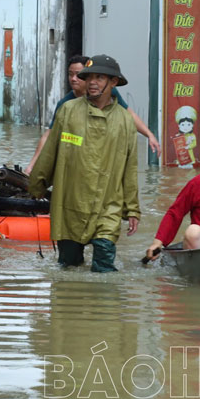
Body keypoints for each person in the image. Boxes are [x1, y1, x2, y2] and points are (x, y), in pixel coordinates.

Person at [29, 54, 140, 272]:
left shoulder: (125, 121)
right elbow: (50, 153)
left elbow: (130, 167)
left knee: (105, 269)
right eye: (89, 77)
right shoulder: (68, 111)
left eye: (99, 77)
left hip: (108, 205)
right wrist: (36, 185)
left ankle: (106, 307)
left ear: (113, 82)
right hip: (70, 203)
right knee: (68, 266)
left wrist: (132, 209)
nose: (92, 83)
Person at [23, 54, 162, 174]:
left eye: (78, 74)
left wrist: (149, 135)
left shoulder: (109, 95)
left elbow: (129, 114)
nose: (73, 79)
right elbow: (50, 135)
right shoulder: (66, 106)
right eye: (70, 74)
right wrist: (32, 165)